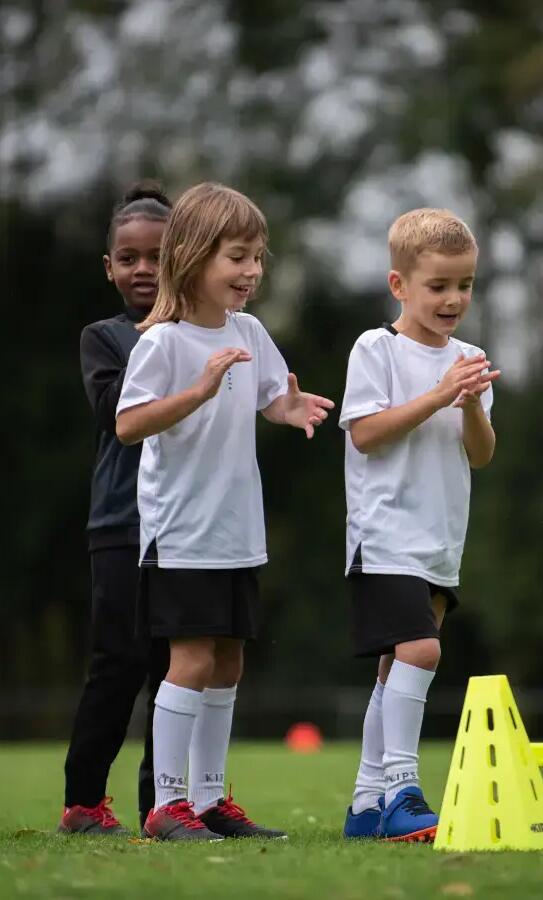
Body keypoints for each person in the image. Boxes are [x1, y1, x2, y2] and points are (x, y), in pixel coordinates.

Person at [116, 182, 335, 841]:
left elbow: (271, 396)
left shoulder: (251, 331)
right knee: (190, 661)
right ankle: (167, 804)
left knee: (230, 660)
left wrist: (289, 409)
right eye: (237, 256)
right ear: (190, 255)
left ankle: (210, 801)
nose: (252, 272)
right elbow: (129, 424)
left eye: (259, 257)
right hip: (181, 533)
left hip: (237, 531)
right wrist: (200, 388)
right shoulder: (163, 344)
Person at [339, 208, 497, 843]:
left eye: (464, 285)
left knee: (394, 667)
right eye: (438, 286)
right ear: (399, 285)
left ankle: (365, 805)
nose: (454, 299)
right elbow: (367, 434)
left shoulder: (471, 359)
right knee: (422, 651)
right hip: (382, 536)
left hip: (439, 539)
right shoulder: (375, 349)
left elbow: (481, 454)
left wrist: (470, 406)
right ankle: (404, 791)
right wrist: (437, 394)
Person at [58, 183, 173, 836]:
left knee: (174, 669)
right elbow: (113, 414)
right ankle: (82, 800)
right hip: (119, 523)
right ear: (109, 267)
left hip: (187, 525)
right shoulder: (102, 339)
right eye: (128, 258)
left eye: (157, 256)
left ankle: (164, 805)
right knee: (119, 664)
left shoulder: (206, 335)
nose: (143, 270)